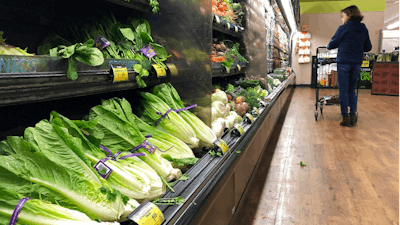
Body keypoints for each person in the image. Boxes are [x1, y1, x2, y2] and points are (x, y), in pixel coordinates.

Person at [327, 5, 372, 127]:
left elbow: (331, 44)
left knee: (343, 91)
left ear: (348, 15)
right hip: (357, 63)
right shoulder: (363, 28)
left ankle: (345, 117)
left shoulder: (343, 28)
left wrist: (330, 45)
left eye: (343, 16)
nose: (342, 19)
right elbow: (368, 47)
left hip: (344, 62)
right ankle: (353, 114)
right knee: (352, 90)